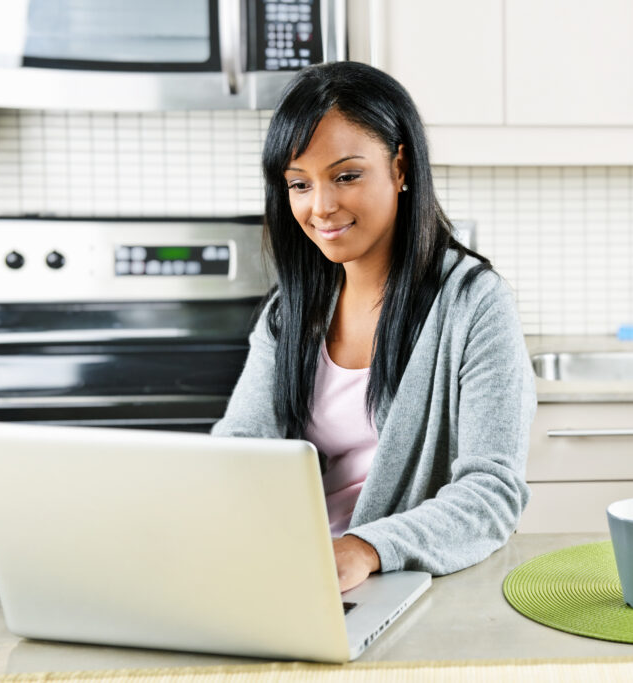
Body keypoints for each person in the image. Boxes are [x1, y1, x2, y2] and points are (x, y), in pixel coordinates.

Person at [211, 61, 536, 592]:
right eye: (299, 184)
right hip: (295, 576)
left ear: (400, 167)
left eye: (346, 176)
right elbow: (242, 447)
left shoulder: (474, 304)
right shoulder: (288, 313)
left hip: (404, 580)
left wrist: (364, 549)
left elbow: (491, 493)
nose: (321, 207)